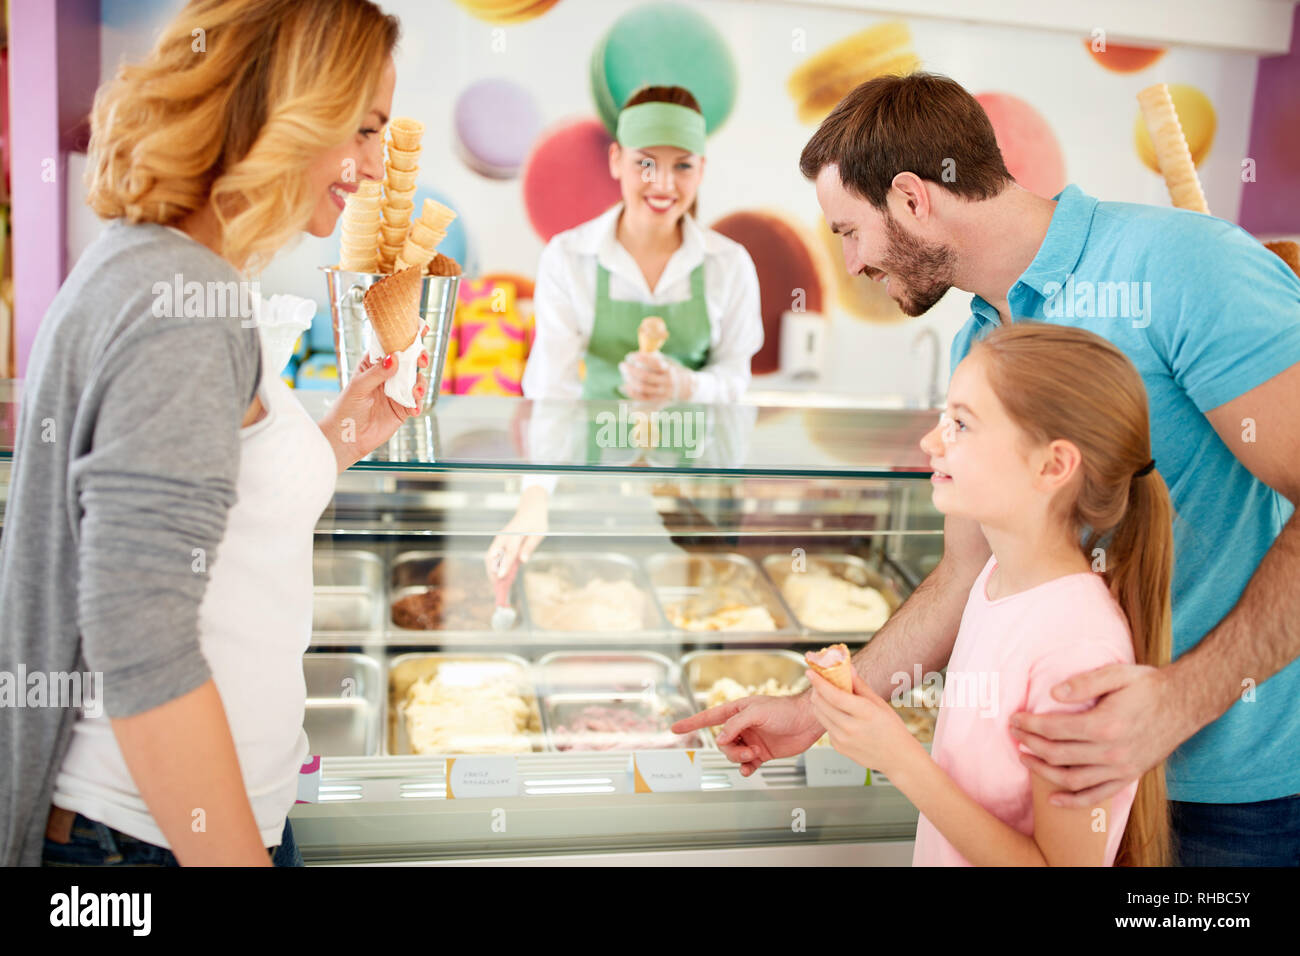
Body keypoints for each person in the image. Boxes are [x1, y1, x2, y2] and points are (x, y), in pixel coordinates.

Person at [675, 71, 1300, 866]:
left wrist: (1179, 703)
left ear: (911, 197)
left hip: (1233, 797)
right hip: (1069, 782)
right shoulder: (982, 341)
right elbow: (963, 575)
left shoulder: (1183, 268)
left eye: (846, 231)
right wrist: (816, 711)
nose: (853, 261)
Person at [0, 0, 420, 867]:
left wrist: (334, 438)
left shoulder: (176, 271)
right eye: (365, 130)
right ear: (286, 105)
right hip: (144, 838)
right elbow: (141, 640)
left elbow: (205, 511)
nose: (375, 167)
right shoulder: (183, 306)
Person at [810, 322, 1171, 865]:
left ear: (1052, 465)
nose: (931, 442)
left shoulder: (1076, 650)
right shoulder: (994, 580)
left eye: (961, 424)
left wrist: (898, 757)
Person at [487, 85, 763, 581]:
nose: (663, 183)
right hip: (594, 479)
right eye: (645, 163)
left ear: (702, 168)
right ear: (616, 160)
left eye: (682, 165)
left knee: (699, 615)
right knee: (597, 600)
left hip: (699, 490)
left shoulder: (730, 265)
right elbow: (551, 390)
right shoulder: (568, 259)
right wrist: (536, 493)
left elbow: (737, 381)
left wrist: (687, 386)